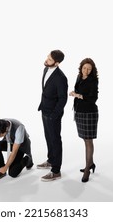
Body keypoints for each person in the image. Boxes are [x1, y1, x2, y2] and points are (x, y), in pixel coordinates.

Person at [37, 50, 68, 182]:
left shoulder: (61, 78)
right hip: (44, 109)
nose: (47, 60)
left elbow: (63, 98)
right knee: (48, 137)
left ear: (57, 63)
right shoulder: (46, 69)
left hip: (53, 114)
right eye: (48, 57)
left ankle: (56, 171)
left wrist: (54, 114)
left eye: (50, 60)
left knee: (55, 139)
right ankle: (51, 160)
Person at [69, 58, 99, 183]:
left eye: (89, 69)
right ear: (81, 68)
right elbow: (79, 91)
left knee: (88, 141)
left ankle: (87, 169)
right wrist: (74, 93)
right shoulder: (79, 77)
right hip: (79, 112)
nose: (86, 70)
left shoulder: (93, 80)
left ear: (92, 70)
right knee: (84, 139)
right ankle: (90, 163)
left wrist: (77, 95)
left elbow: (93, 98)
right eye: (84, 68)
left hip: (89, 113)